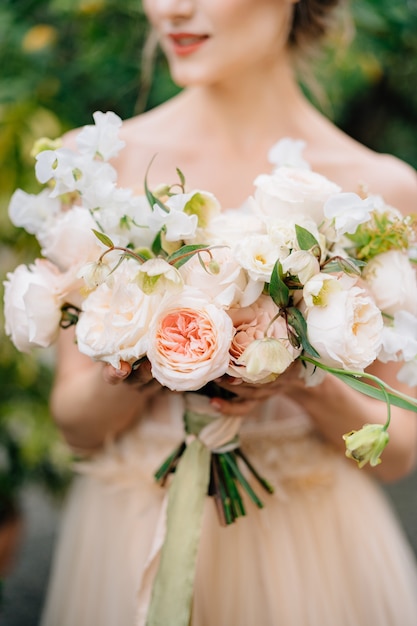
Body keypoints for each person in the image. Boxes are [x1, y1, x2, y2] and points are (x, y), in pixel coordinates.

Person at [41, 1, 417, 624]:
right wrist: (138, 374)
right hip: (132, 529)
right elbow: (74, 423)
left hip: (311, 555)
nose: (172, 9)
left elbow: (397, 452)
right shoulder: (100, 168)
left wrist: (308, 387)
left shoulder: (384, 192)